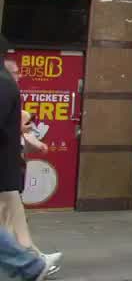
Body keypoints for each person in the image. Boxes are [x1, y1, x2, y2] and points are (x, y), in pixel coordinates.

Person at [0, 61, 60, 276]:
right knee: (10, 219)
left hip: (8, 170)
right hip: (7, 171)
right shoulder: (7, 89)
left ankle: (29, 261)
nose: (19, 76)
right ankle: (29, 260)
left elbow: (23, 131)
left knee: (11, 218)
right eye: (16, 72)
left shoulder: (7, 90)